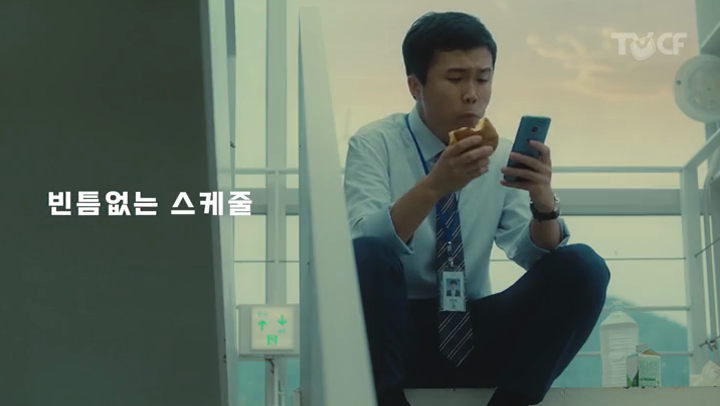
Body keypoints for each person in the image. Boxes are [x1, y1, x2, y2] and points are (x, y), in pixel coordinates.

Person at [342, 11, 611, 406]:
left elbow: (535, 254)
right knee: (367, 253)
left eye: (483, 79)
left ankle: (513, 400)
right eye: (456, 79)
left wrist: (543, 202)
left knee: (583, 266)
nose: (472, 93)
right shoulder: (374, 144)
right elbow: (367, 245)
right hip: (400, 332)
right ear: (415, 86)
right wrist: (435, 186)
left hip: (474, 326)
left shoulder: (500, 154)